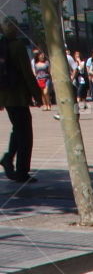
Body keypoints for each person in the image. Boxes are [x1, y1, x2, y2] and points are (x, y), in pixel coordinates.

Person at [0, 19, 41, 182]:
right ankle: (21, 170)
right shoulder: (17, 46)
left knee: (18, 129)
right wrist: (37, 96)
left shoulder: (2, 45)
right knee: (25, 134)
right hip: (19, 96)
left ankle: (8, 159)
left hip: (7, 97)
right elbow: (27, 73)